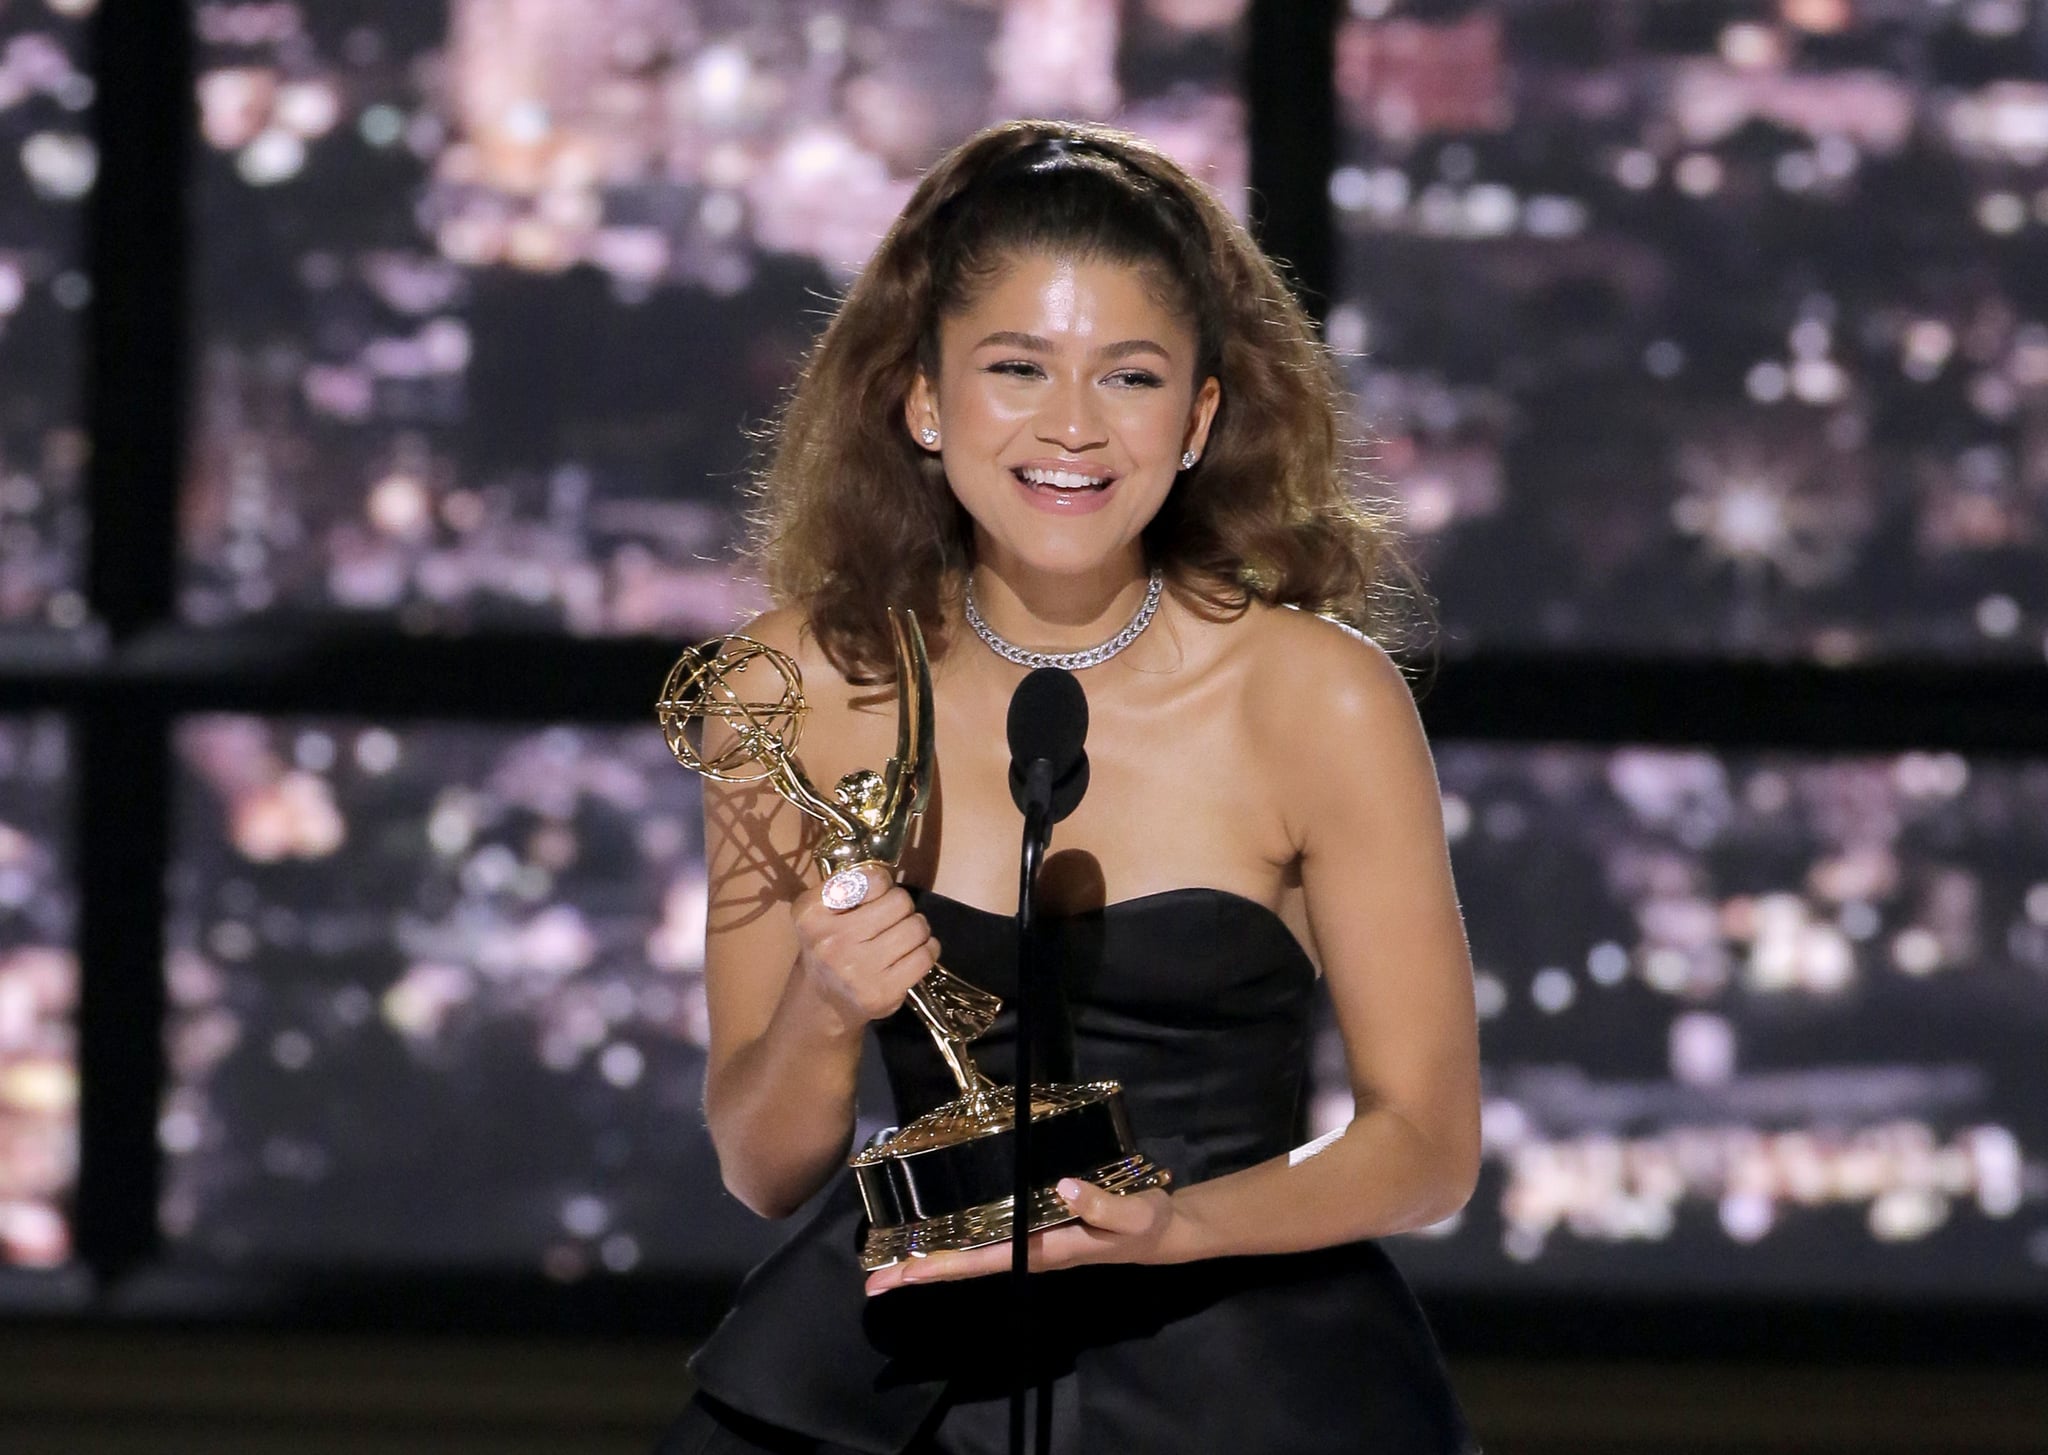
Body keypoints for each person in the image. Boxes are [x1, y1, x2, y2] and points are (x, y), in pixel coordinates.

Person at [656, 119, 1482, 1455]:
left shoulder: (1319, 699)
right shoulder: (793, 684)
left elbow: (1427, 1143)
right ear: (925, 400)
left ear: (1201, 415)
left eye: (1132, 377)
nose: (1073, 428)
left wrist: (1175, 1228)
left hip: (1237, 1377)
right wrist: (823, 1005)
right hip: (881, 1378)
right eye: (1018, 367)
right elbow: (763, 1168)